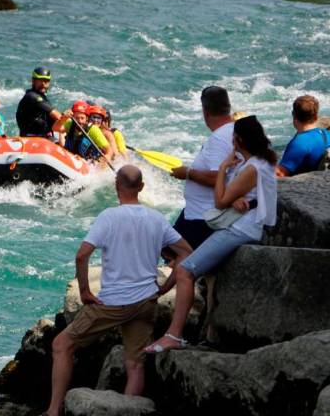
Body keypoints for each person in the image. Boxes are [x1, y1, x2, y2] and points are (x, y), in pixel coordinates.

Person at [43, 165, 192, 416]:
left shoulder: (109, 217)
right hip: (146, 301)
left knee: (61, 345)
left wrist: (84, 291)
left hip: (113, 303)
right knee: (135, 364)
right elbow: (186, 253)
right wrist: (166, 286)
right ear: (142, 187)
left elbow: (82, 255)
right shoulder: (156, 218)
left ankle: (53, 411)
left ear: (116, 187)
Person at [146, 115, 278, 353]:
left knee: (186, 270)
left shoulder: (250, 168)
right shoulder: (262, 161)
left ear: (237, 140)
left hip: (240, 229)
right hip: (250, 224)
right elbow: (248, 194)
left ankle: (173, 335)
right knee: (203, 269)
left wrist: (224, 170)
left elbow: (219, 202)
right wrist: (239, 197)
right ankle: (208, 333)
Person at [168, 86, 235, 250]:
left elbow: (216, 177)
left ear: (205, 112)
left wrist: (187, 173)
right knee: (169, 248)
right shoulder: (233, 130)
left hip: (204, 216)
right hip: (199, 212)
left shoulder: (219, 138)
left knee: (174, 251)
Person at [276, 95, 330, 177]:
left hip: (302, 186)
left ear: (294, 115)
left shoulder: (299, 143)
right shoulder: (325, 134)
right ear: (316, 116)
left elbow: (280, 174)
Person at [15, 67, 63, 138]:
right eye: (40, 80)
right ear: (33, 81)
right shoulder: (32, 97)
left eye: (46, 81)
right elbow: (57, 116)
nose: (43, 84)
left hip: (44, 137)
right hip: (32, 139)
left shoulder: (43, 98)